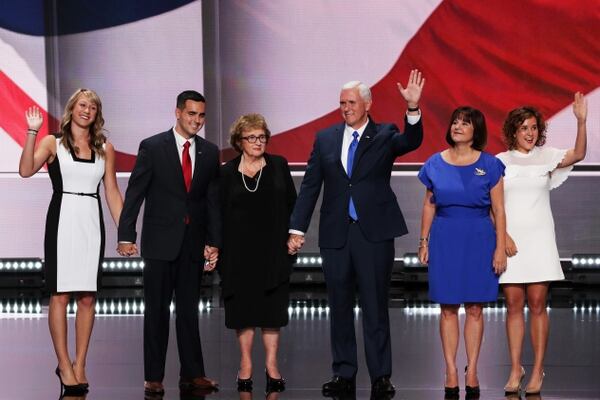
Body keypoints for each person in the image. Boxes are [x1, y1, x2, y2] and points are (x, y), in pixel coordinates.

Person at [288, 70, 425, 397]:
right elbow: (310, 187)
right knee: (338, 305)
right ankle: (343, 373)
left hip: (372, 233)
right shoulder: (326, 138)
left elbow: (411, 141)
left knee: (376, 305)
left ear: (367, 103)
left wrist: (413, 110)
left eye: (351, 102)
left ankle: (381, 376)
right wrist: (296, 228)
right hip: (336, 233)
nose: (345, 108)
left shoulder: (385, 134)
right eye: (341, 103)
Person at [19, 89, 123, 395]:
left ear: (97, 113)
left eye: (92, 107)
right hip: (62, 221)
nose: (87, 110)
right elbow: (25, 171)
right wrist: (31, 132)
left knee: (88, 298)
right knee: (61, 295)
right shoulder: (53, 142)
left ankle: (80, 364)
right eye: (82, 105)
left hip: (91, 222)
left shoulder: (105, 146)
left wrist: (125, 232)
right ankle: (63, 363)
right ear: (71, 109)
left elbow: (113, 192)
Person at [117, 90, 221, 396]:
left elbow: (212, 201)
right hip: (160, 242)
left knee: (189, 310)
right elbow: (135, 193)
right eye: (191, 114)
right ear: (177, 113)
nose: (197, 121)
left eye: (201, 115)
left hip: (192, 243)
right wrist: (126, 234)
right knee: (157, 311)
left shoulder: (210, 152)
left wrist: (214, 241)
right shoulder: (152, 147)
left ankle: (193, 373)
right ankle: (153, 375)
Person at [497, 93, 587, 396]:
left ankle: (537, 370)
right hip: (510, 242)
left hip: (540, 240)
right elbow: (491, 205)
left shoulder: (547, 157)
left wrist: (581, 120)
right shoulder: (500, 162)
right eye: (524, 128)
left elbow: (578, 154)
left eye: (534, 127)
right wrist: (503, 236)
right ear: (513, 131)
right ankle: (515, 368)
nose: (530, 133)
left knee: (537, 304)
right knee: (513, 306)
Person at [417, 106, 507, 398]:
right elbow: (429, 204)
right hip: (445, 238)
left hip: (479, 238)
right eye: (455, 121)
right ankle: (451, 369)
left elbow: (499, 209)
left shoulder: (491, 165)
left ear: (475, 131)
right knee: (447, 308)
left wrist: (499, 248)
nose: (457, 126)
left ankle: (472, 369)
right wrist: (423, 241)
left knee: (476, 308)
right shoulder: (434, 163)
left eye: (464, 123)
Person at [218, 114, 296, 393]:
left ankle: (272, 365)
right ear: (239, 141)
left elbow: (292, 205)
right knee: (244, 310)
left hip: (273, 251)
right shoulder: (226, 172)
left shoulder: (278, 165)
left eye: (262, 137)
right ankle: (246, 363)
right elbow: (218, 213)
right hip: (238, 253)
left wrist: (295, 235)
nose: (257, 142)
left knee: (272, 310)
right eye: (251, 137)